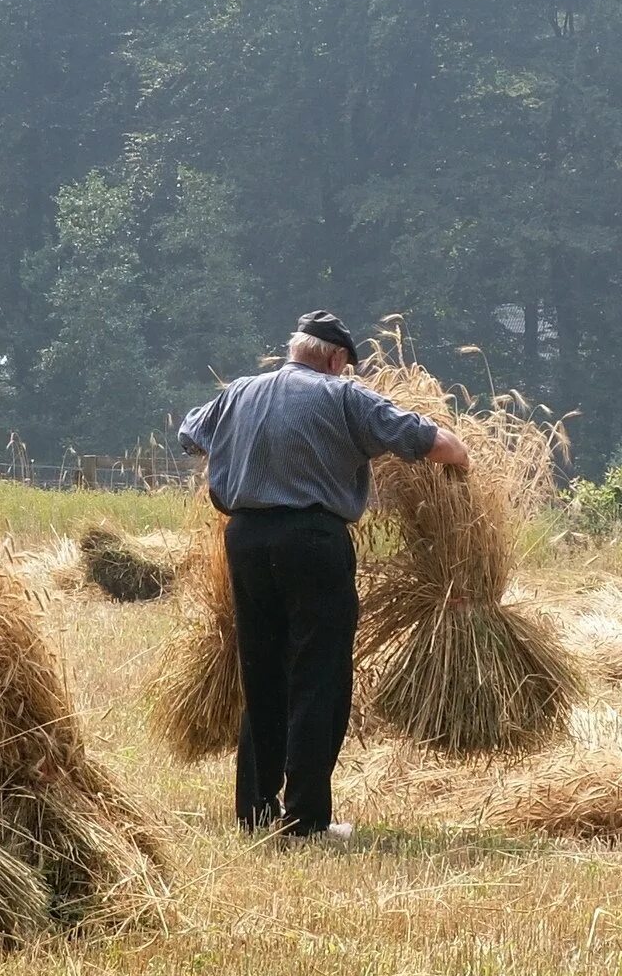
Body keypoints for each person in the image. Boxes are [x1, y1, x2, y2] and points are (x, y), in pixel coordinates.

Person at [178, 311, 471, 841]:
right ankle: (307, 820)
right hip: (312, 543)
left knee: (261, 674)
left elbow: (189, 432)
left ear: (296, 350)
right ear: (336, 360)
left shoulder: (240, 391)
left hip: (244, 540)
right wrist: (464, 462)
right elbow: (430, 441)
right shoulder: (343, 396)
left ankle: (256, 814)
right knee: (318, 678)